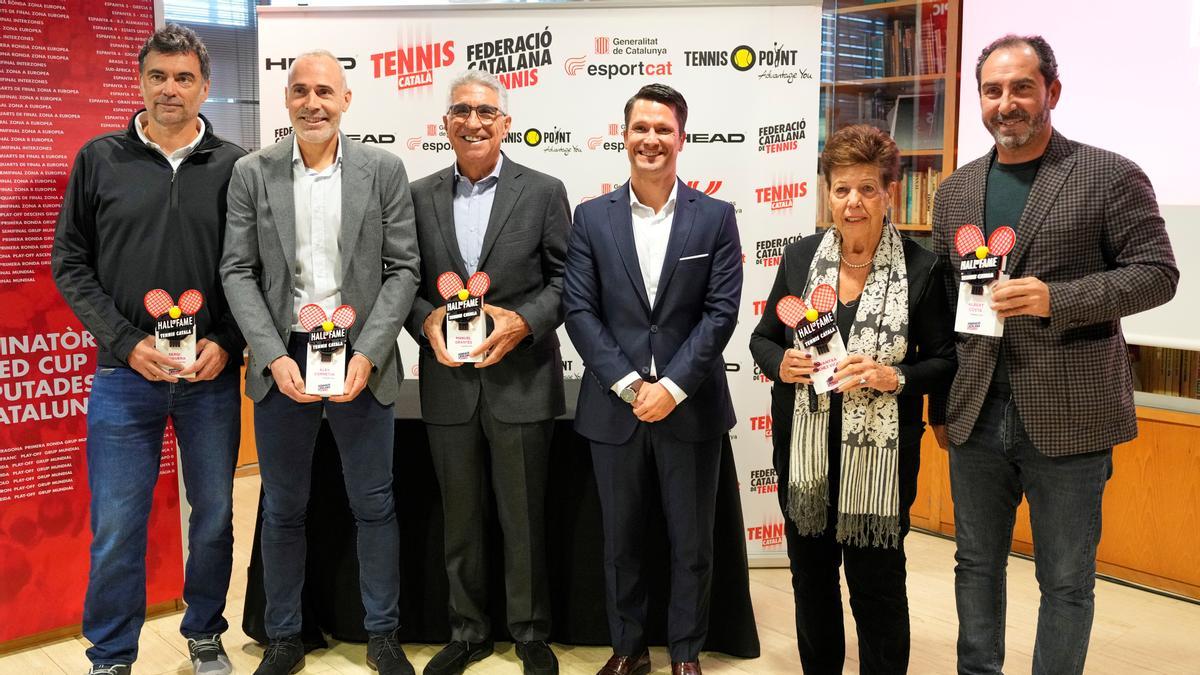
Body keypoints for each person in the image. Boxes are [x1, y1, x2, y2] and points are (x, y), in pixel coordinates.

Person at [931, 35, 1178, 675]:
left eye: (1021, 87)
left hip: (1072, 415)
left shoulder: (1110, 174)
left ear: (1052, 93)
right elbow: (943, 305)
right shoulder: (956, 190)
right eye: (992, 90)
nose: (1006, 103)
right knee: (975, 564)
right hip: (976, 412)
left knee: (1065, 579)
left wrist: (1055, 298)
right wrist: (938, 403)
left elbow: (1157, 273)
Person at [51, 24, 245, 675]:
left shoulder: (236, 165)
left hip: (209, 378)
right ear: (139, 81)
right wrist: (127, 343)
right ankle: (111, 653)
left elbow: (257, 270)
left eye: (184, 77)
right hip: (123, 376)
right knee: (116, 526)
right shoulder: (99, 158)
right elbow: (70, 264)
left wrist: (228, 341)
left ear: (204, 86)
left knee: (215, 515)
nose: (170, 88)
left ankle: (204, 633)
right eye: (158, 75)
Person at [220, 50, 420, 675]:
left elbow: (404, 267)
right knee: (282, 506)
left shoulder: (384, 170)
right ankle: (283, 637)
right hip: (286, 357)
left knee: (374, 502)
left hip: (362, 356)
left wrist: (371, 351)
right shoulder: (253, 173)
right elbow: (236, 269)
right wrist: (273, 355)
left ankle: (382, 633)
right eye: (301, 91)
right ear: (286, 99)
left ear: (346, 100)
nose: (313, 103)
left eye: (325, 92)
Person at [749, 124, 956, 674]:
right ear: (827, 193)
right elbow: (763, 338)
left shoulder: (922, 267)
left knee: (877, 587)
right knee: (811, 581)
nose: (853, 202)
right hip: (806, 455)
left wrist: (896, 376)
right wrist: (781, 364)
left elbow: (945, 359)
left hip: (880, 464)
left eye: (867, 188)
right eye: (841, 189)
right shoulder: (798, 260)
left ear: (889, 192)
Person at [562, 84, 742, 675]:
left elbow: (721, 312)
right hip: (615, 409)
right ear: (624, 135)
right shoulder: (591, 218)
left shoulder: (714, 217)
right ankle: (629, 649)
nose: (651, 139)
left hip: (690, 409)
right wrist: (630, 385)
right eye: (641, 128)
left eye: (663, 129)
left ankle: (686, 653)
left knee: (692, 545)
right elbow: (579, 311)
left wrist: (672, 387)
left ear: (682, 137)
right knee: (621, 544)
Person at [405, 70, 569, 675]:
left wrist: (522, 323)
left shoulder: (545, 190)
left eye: (485, 112)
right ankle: (469, 630)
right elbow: (406, 284)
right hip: (448, 382)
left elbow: (564, 283)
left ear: (505, 124)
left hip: (520, 380)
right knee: (460, 518)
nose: (472, 121)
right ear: (445, 124)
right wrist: (426, 323)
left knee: (523, 519)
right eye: (460, 111)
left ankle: (529, 633)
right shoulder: (417, 195)